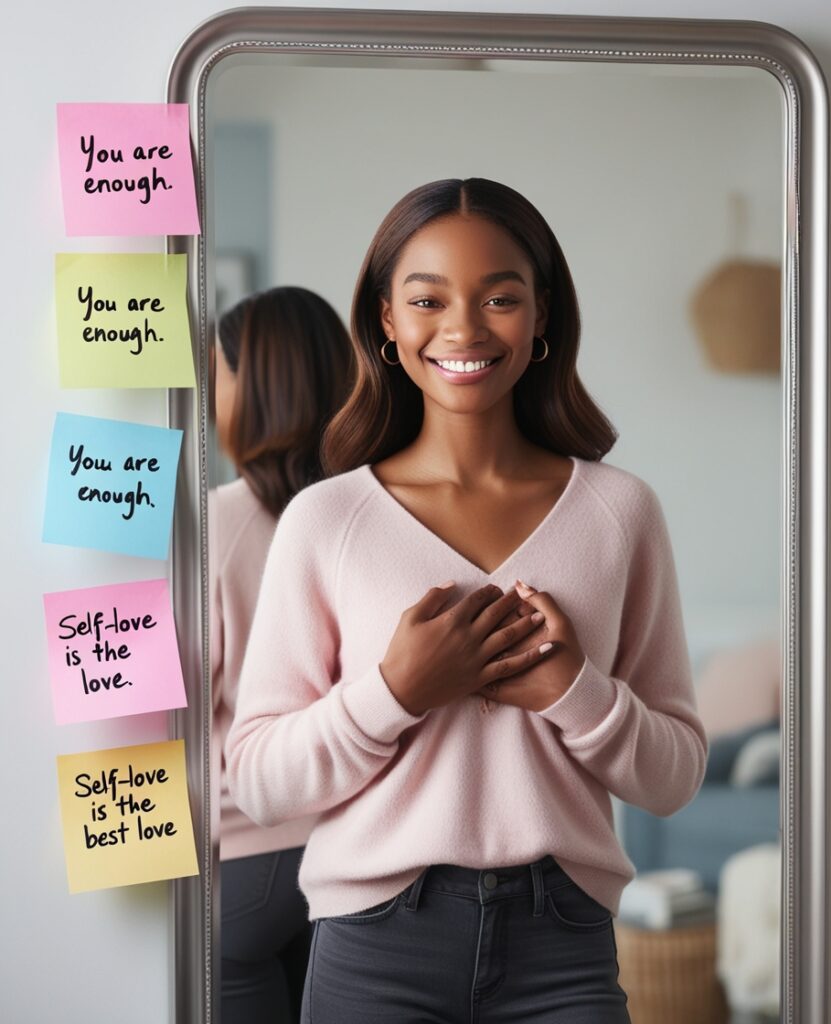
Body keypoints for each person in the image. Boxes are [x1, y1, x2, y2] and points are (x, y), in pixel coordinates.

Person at [225, 178, 708, 1023]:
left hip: (566, 946)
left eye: (500, 298)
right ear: (384, 320)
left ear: (543, 316)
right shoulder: (327, 519)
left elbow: (674, 778)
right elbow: (260, 783)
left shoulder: (621, 511)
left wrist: (574, 691)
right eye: (428, 299)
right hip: (373, 947)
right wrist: (395, 693)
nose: (464, 328)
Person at [210, 285, 354, 1024]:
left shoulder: (218, 523)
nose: (210, 397)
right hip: (356, 856)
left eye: (220, 376)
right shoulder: (364, 515)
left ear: (255, 386)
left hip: (244, 860)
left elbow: (168, 708)